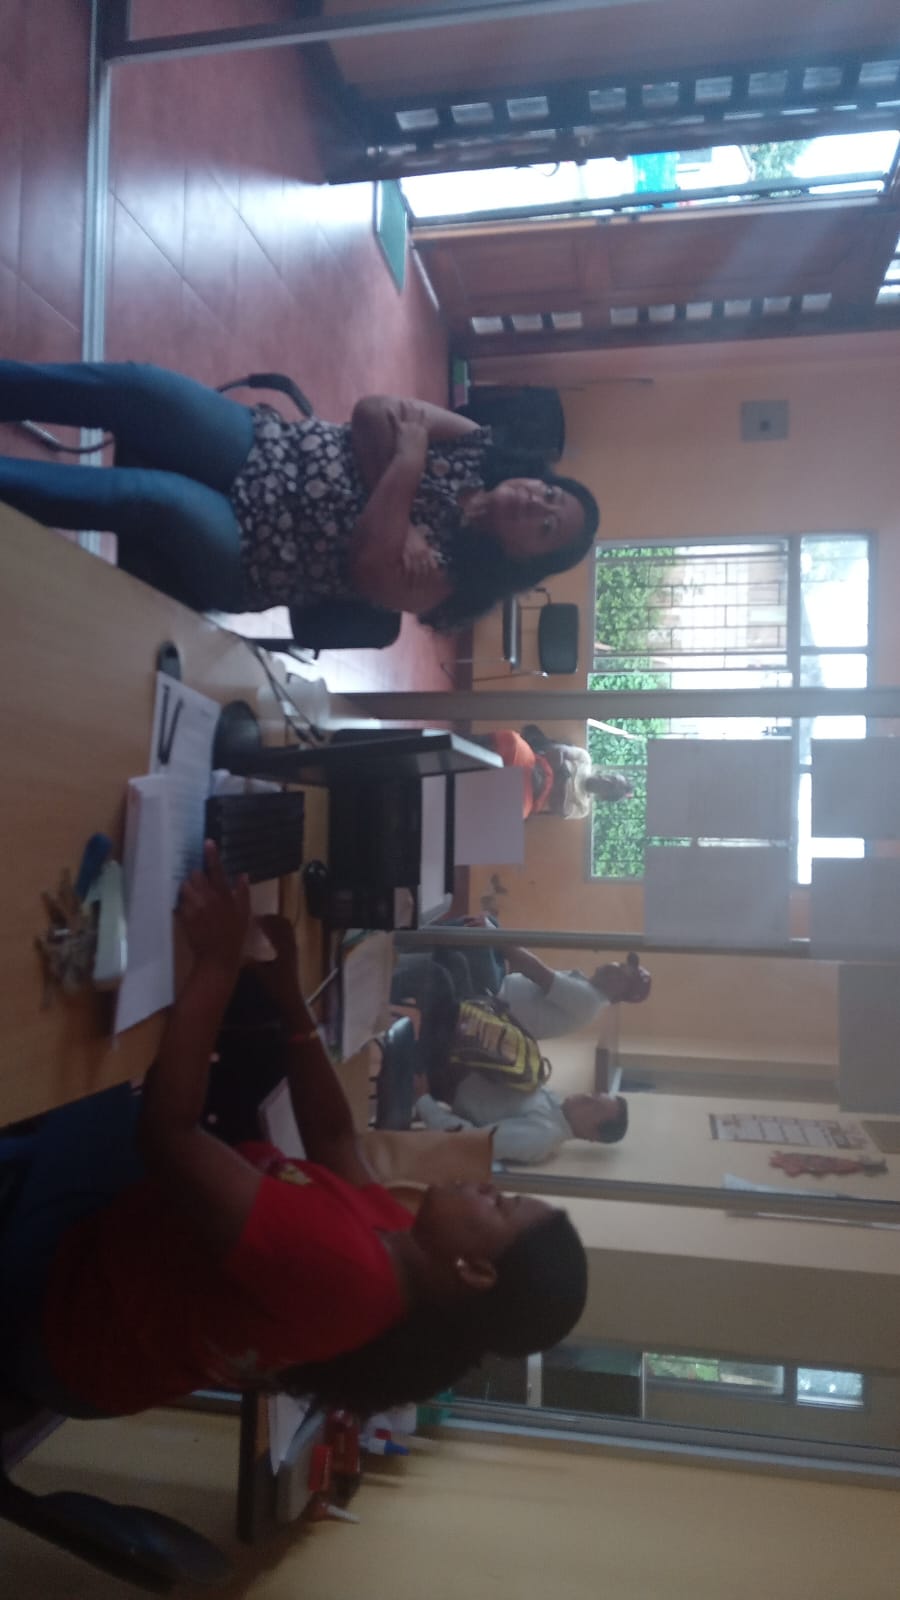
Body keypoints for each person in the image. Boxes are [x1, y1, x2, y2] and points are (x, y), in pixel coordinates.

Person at [0, 846, 587, 1421]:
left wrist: (218, 964)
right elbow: (335, 1141)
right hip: (117, 1242)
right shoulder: (405, 1252)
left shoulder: (349, 1276)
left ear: (476, 1271)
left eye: (500, 1206)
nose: (488, 1188)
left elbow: (169, 1135)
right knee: (117, 1000)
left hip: (55, 1307)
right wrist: (290, 1000)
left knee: (85, 1022)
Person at [0, 362, 600, 631]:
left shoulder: (451, 583)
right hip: (266, 446)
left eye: (546, 527)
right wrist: (398, 512)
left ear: (524, 560)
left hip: (251, 554)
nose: (537, 504)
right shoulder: (476, 445)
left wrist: (408, 460)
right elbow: (372, 412)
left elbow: (367, 563)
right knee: (141, 389)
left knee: (150, 496)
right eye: (551, 493)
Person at [475, 726, 633, 819]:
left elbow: (556, 806)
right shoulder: (584, 759)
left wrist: (559, 772)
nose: (607, 780)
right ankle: (466, 747)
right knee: (513, 742)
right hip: (534, 764)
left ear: (605, 797)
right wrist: (559, 780)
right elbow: (555, 751)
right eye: (612, 778)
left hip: (533, 794)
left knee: (516, 812)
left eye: (610, 787)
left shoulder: (582, 809)